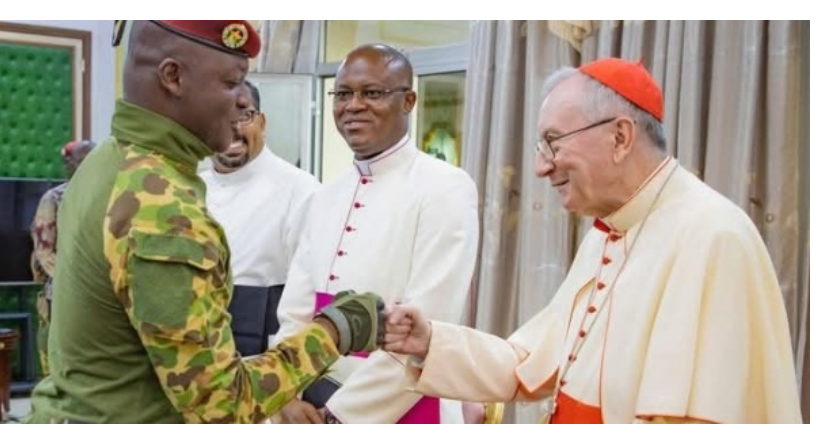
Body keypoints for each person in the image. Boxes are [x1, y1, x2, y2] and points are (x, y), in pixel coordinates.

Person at [384, 57, 803, 424]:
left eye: (552, 142)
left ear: (620, 137)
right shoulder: (608, 232)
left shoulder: (714, 236)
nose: (539, 168)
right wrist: (430, 342)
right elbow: (530, 363)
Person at [26, 20, 385, 424]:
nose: (241, 104)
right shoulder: (161, 206)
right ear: (173, 77)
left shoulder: (110, 159)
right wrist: (336, 330)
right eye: (231, 84)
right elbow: (221, 405)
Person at [275, 43, 479, 424]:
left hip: (405, 404)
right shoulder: (325, 195)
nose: (353, 105)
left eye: (372, 93)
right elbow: (295, 312)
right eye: (344, 94)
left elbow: (427, 324)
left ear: (408, 101)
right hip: (311, 401)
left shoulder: (445, 188)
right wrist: (285, 394)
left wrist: (340, 416)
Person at [201, 80, 319, 357]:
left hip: (260, 356)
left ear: (262, 122)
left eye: (244, 115)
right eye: (217, 117)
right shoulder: (187, 187)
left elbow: (306, 300)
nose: (232, 128)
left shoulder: (301, 190)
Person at [30, 140, 96, 376]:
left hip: (100, 294)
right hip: (63, 294)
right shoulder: (54, 199)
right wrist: (75, 281)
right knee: (59, 365)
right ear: (69, 164)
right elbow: (44, 251)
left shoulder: (110, 195)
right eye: (83, 160)